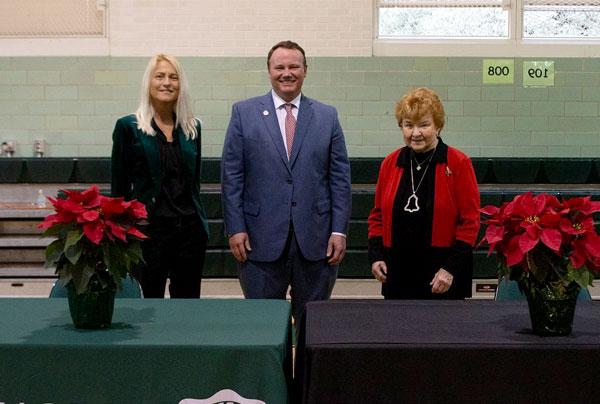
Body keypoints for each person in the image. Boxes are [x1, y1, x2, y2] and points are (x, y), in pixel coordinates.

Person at [221, 40, 351, 321]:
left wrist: (339, 231)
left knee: (312, 327)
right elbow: (232, 177)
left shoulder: (327, 116)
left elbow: (339, 179)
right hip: (258, 241)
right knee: (264, 325)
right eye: (279, 67)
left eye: (294, 66)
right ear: (269, 71)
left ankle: (305, 368)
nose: (287, 73)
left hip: (316, 243)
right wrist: (235, 228)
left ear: (305, 70)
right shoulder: (244, 113)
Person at [111, 54, 209, 298]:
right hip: (148, 233)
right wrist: (120, 234)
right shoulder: (128, 127)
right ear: (148, 82)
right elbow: (119, 187)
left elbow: (194, 183)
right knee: (147, 304)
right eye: (160, 76)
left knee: (187, 306)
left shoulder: (192, 127)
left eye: (173, 77)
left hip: (189, 232)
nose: (167, 82)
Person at [368, 87, 480, 299]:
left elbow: (470, 222)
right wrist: (376, 256)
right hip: (398, 272)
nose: (415, 133)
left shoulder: (458, 163)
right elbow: (377, 216)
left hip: (443, 275)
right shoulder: (390, 163)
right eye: (408, 125)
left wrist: (450, 269)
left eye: (424, 125)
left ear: (438, 126)